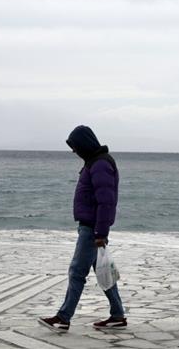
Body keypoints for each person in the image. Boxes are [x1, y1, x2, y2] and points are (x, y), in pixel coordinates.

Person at [38, 125, 127, 332]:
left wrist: (100, 233)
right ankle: (117, 315)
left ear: (84, 144)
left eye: (75, 146)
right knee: (104, 271)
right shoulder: (94, 162)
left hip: (92, 229)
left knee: (77, 272)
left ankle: (63, 317)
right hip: (92, 228)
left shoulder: (100, 164)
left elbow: (106, 201)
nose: (74, 151)